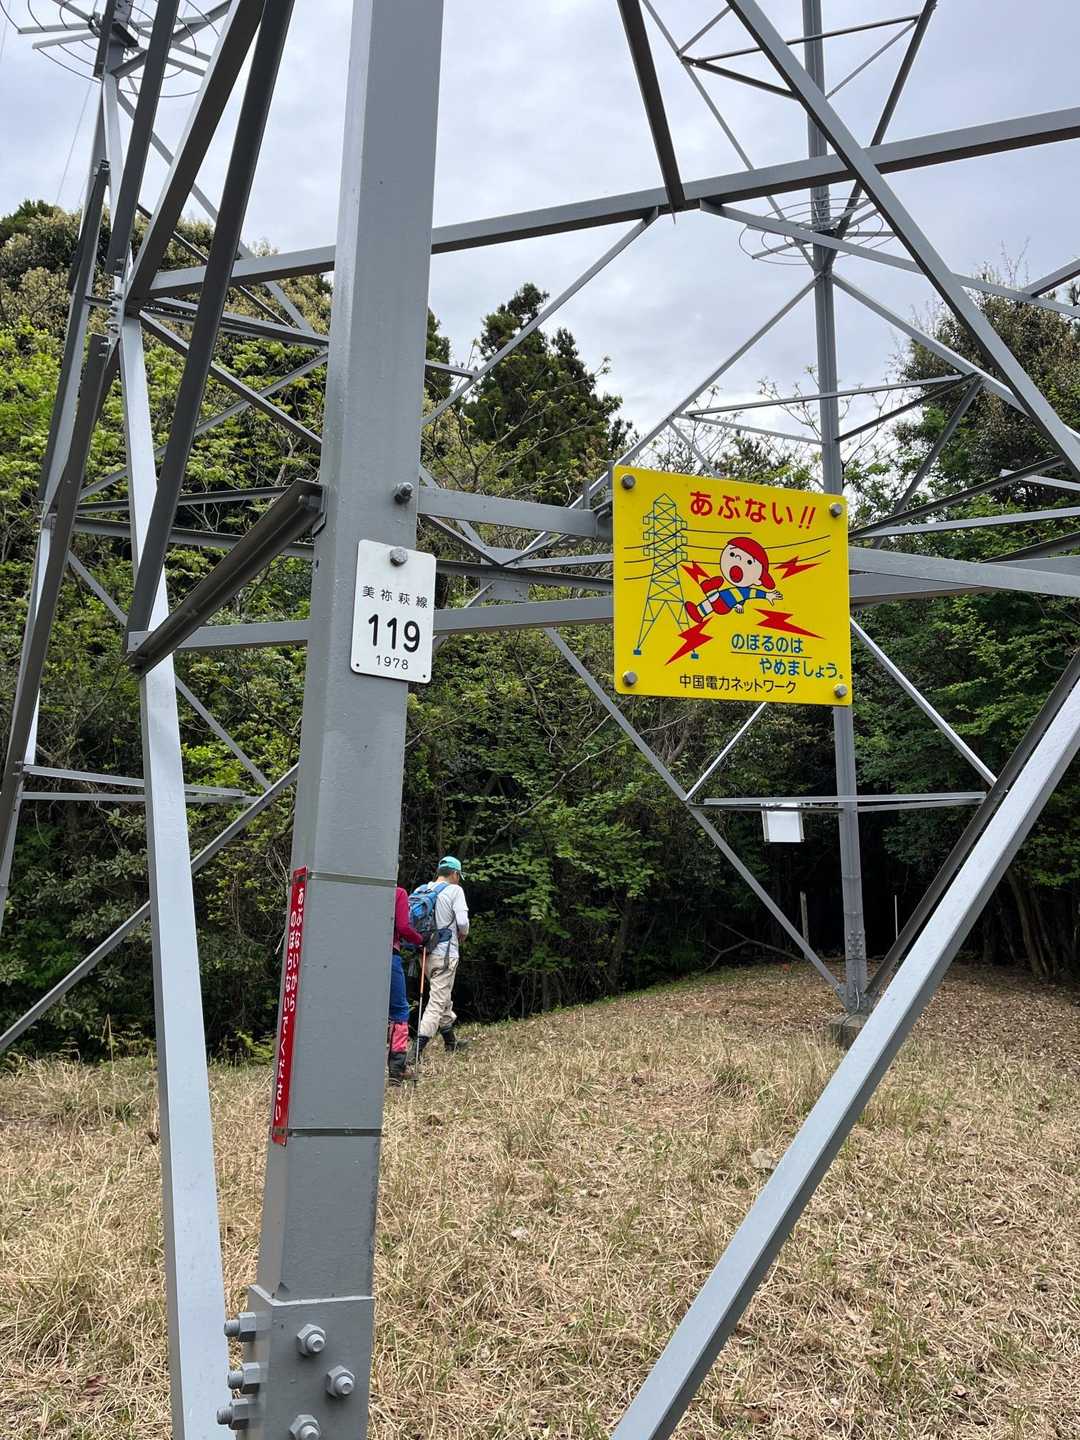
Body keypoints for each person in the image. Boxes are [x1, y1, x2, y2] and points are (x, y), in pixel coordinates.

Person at [414, 855, 470, 1057]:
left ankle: (450, 1041)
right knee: (437, 1001)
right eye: (459, 875)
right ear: (454, 874)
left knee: (442, 995)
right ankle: (416, 1051)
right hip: (445, 955)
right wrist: (463, 934)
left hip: (424, 954)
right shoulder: (455, 891)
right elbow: (462, 922)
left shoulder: (422, 890)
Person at [388, 884, 424, 1085]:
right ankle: (397, 1070)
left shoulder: (358, 891)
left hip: (359, 957)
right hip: (389, 957)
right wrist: (419, 939)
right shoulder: (398, 893)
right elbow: (403, 927)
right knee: (399, 1011)